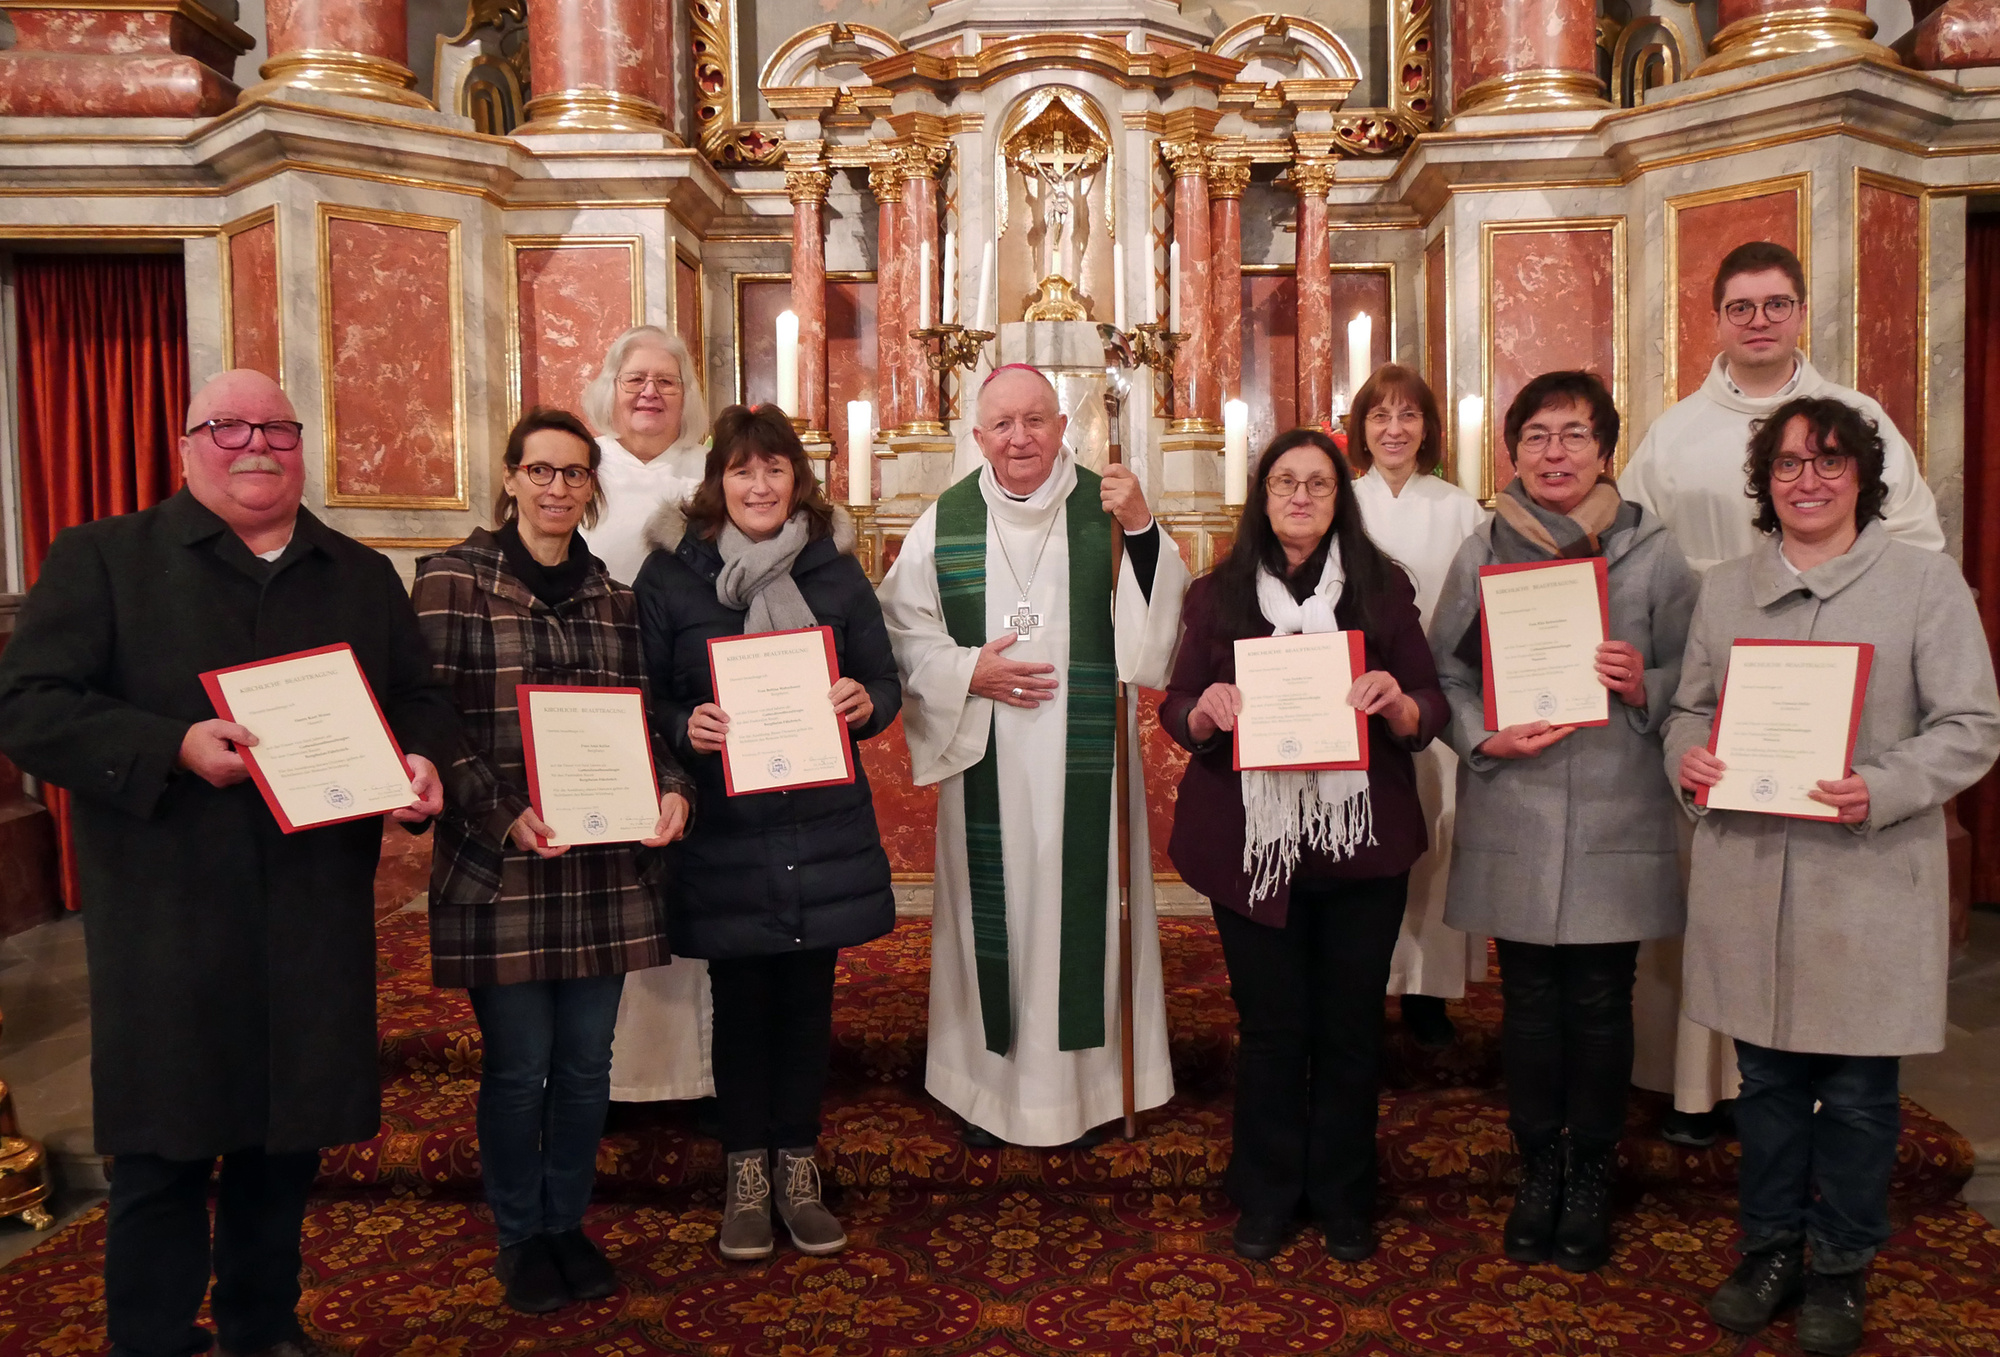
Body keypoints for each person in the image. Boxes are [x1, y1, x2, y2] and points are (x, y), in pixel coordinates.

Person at [0, 370, 455, 1357]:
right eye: (230, 426)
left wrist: (422, 763)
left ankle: (262, 1325)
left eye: (278, 428)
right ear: (188, 445)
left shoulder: (358, 573)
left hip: (308, 912)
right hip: (168, 917)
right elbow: (29, 706)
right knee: (162, 1152)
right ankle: (153, 1339)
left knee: (282, 1144)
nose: (257, 444)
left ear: (302, 445)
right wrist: (171, 746)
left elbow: (417, 701)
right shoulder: (106, 560)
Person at [1666, 398, 2000, 1356]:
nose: (1807, 480)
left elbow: (1971, 725)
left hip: (1866, 873)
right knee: (1765, 1082)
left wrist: (1882, 785)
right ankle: (1769, 1247)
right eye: (1787, 465)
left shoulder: (1925, 586)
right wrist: (1689, 761)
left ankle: (1843, 1264)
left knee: (1857, 1091)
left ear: (1863, 474)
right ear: (1763, 484)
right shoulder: (1727, 589)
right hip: (1751, 868)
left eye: (1829, 462)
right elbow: (1689, 710)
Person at [1623, 240, 1946, 1146]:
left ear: (1801, 311)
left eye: (1775, 304)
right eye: (1741, 306)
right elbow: (1640, 560)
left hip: (1844, 705)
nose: (1759, 320)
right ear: (1716, 318)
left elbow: (1918, 542)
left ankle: (1819, 1093)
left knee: (1828, 923)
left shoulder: (1854, 416)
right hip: (1725, 695)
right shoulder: (1674, 433)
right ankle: (1702, 1089)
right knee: (1724, 906)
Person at [413, 408, 694, 1312]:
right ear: (509, 477)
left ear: (591, 488)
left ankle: (567, 1220)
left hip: (602, 871)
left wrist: (674, 787)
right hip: (504, 867)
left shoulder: (615, 600)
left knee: (585, 1067)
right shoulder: (452, 582)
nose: (557, 488)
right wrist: (502, 815)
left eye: (575, 474)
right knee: (518, 1066)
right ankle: (519, 1234)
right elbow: (428, 719)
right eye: (541, 470)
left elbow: (649, 722)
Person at [878, 363, 1191, 1148]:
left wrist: (1147, 530)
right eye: (1003, 424)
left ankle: (1082, 1095)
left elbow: (1157, 639)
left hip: (1083, 763)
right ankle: (989, 1094)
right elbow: (899, 633)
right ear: (977, 437)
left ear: (1064, 428)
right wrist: (966, 669)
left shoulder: (1108, 507)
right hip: (986, 752)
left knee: (1078, 915)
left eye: (1037, 420)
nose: (1021, 438)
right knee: (999, 922)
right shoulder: (943, 522)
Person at [1429, 370, 1698, 1274]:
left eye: (1574, 435)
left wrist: (1643, 681)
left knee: (1599, 997)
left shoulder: (1656, 555)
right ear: (1514, 453)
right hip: (1520, 798)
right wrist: (1481, 737)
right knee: (1531, 1001)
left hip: (1619, 803)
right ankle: (1538, 1165)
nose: (1555, 453)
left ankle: (1591, 1168)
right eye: (1538, 436)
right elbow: (1448, 675)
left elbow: (1696, 679)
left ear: (1604, 450)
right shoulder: (1482, 550)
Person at [1161, 428, 1448, 1261]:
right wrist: (1205, 712)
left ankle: (1345, 1192)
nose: (1299, 497)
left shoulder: (1382, 589)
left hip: (1361, 848)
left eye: (1317, 484)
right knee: (1274, 1027)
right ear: (1261, 495)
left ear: (1338, 497)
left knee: (1353, 1026)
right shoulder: (1218, 595)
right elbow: (1178, 705)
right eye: (1284, 482)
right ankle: (1269, 1189)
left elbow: (1430, 702)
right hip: (1252, 849)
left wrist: (1397, 703)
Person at [632, 403, 900, 1261]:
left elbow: (883, 682)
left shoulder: (836, 574)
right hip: (726, 827)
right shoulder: (673, 575)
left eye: (775, 470)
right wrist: (685, 723)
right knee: (742, 1003)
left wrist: (865, 705)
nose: (759, 485)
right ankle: (747, 1175)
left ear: (798, 483)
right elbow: (643, 694)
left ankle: (800, 1165)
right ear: (718, 481)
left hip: (819, 823)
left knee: (808, 1003)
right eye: (743, 470)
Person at [580, 325, 721, 1113]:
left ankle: (685, 1077)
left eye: (667, 381)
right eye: (636, 378)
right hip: (591, 703)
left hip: (678, 703)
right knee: (602, 886)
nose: (650, 393)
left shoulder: (708, 476)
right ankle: (596, 1079)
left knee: (678, 880)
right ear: (610, 385)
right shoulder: (577, 466)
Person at [1346, 364, 1489, 1050]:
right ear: (1362, 429)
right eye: (1380, 416)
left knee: (1438, 836)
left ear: (1428, 428)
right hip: (1358, 702)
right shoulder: (1341, 501)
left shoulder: (1461, 509)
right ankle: (1367, 982)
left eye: (1407, 416)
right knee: (1369, 843)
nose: (1394, 429)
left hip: (1437, 696)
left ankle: (1430, 989)